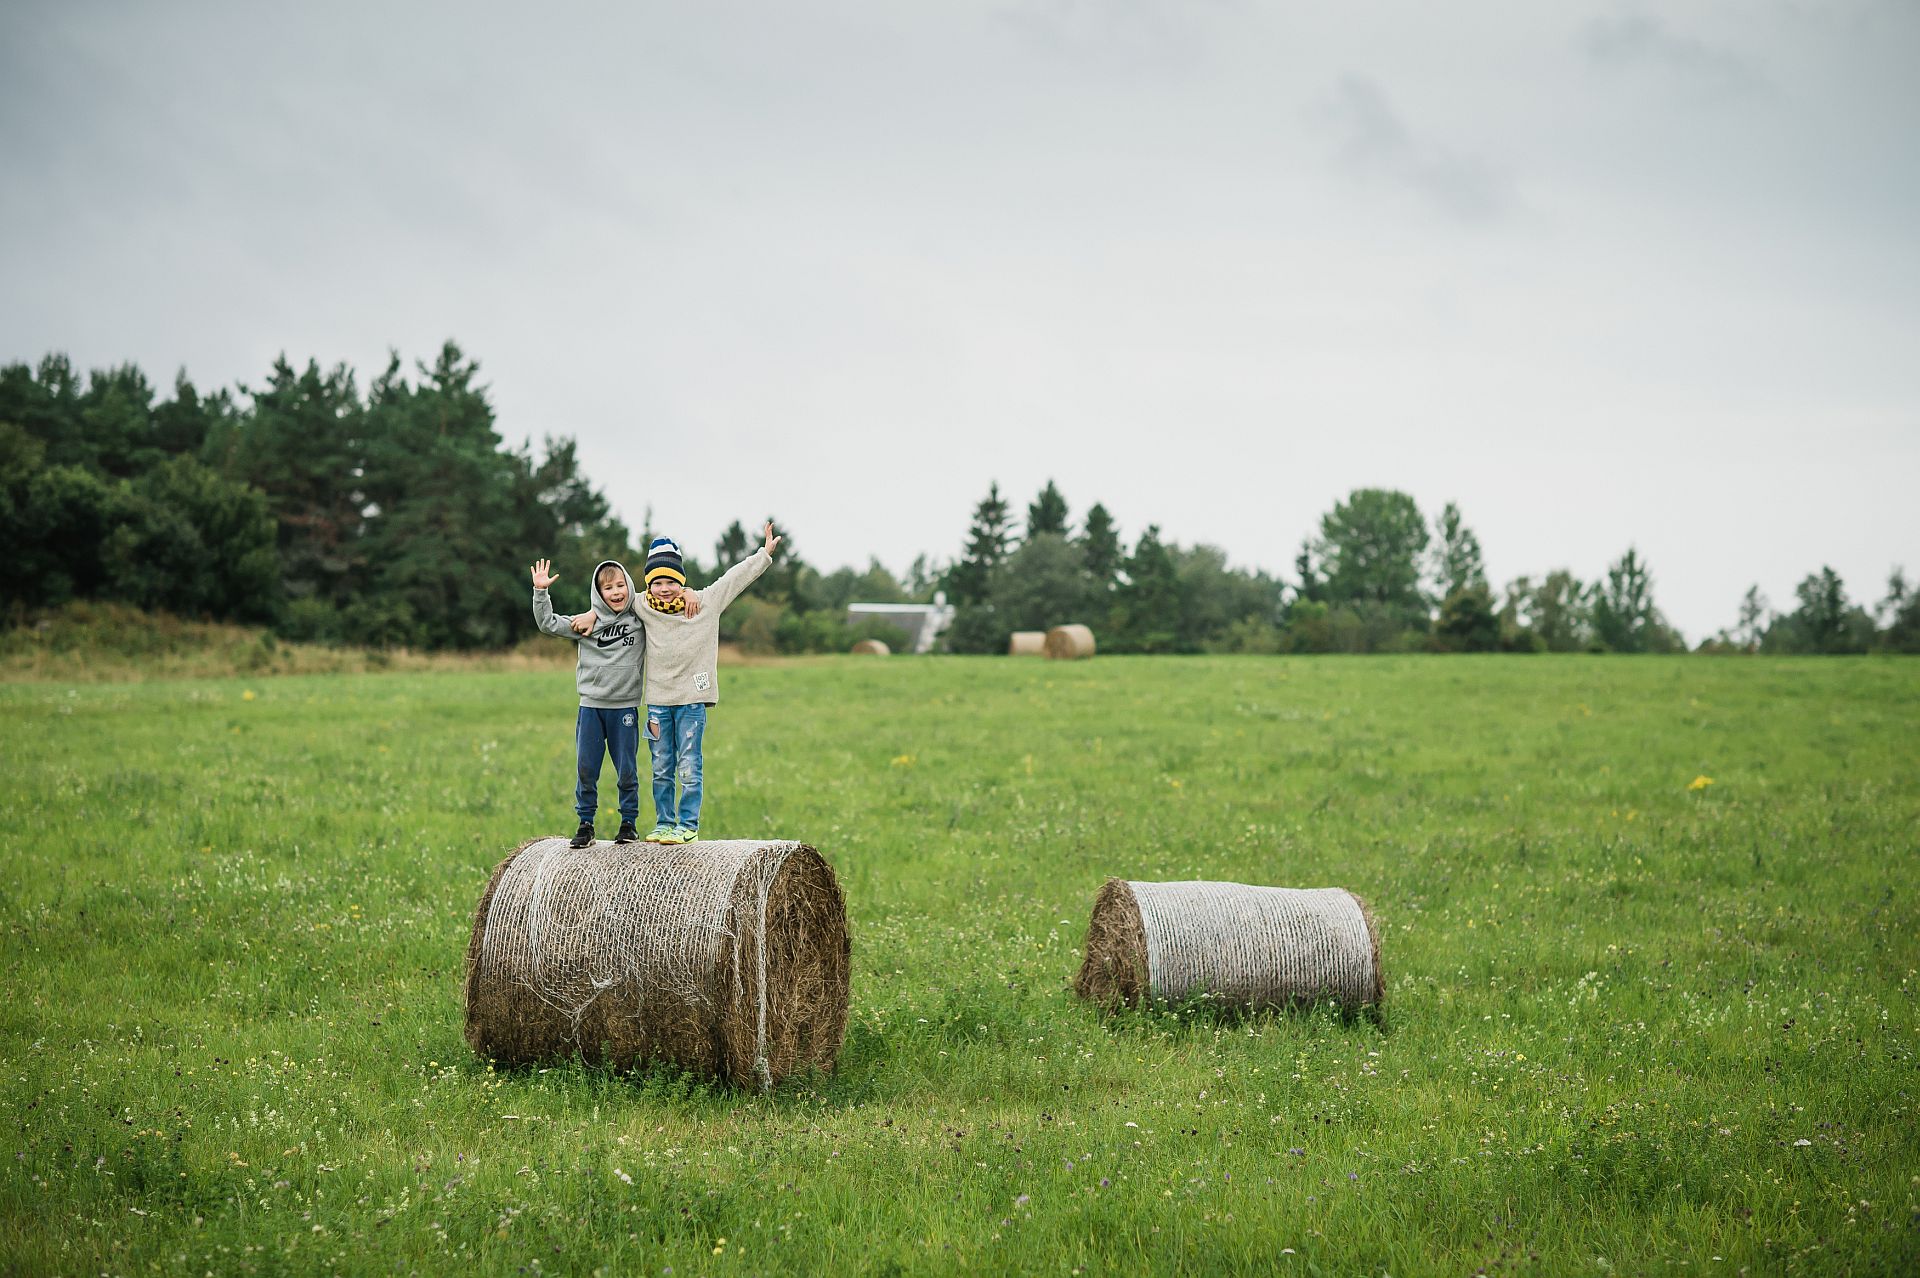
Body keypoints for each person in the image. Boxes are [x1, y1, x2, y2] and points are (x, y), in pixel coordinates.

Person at [572, 522, 781, 843]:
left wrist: (763, 555)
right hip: (657, 702)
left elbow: (733, 580)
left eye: (672, 581)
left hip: (691, 702)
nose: (665, 588)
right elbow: (614, 599)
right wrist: (591, 615)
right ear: (649, 584)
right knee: (661, 767)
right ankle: (665, 823)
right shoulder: (642, 605)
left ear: (681, 582)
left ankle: (688, 825)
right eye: (658, 582)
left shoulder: (704, 603)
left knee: (688, 765)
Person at [530, 557, 698, 848]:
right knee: (586, 768)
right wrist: (541, 593)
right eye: (608, 588)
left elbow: (663, 595)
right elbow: (547, 623)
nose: (616, 592)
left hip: (625, 709)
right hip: (592, 707)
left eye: (621, 585)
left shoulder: (640, 620)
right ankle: (585, 823)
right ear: (598, 593)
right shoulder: (585, 624)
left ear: (629, 588)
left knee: (627, 770)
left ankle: (628, 823)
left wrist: (690, 592)